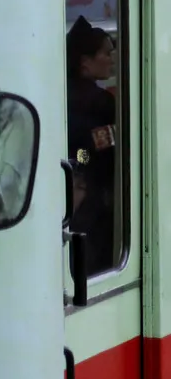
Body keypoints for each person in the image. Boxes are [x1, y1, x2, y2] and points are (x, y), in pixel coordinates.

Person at [65, 15, 117, 276]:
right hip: (95, 203)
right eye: (106, 53)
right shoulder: (99, 102)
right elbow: (82, 150)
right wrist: (84, 166)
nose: (113, 58)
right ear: (85, 61)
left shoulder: (66, 93)